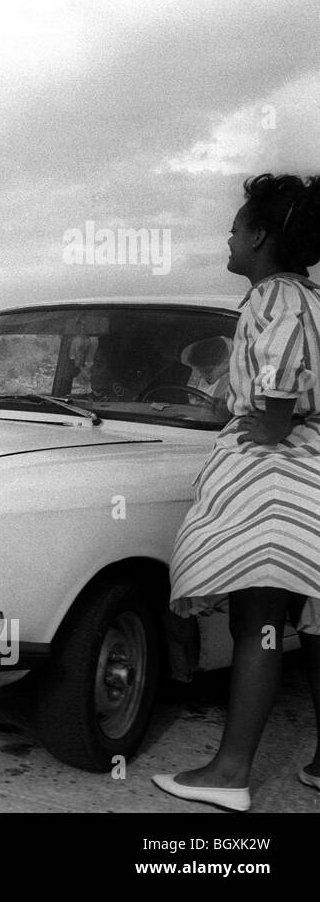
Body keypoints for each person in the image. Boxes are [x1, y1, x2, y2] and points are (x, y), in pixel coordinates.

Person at [154, 173, 320, 812]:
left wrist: (272, 414)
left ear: (258, 236)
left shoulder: (275, 297)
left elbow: (277, 379)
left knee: (259, 622)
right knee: (306, 621)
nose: (226, 236)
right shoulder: (308, 295)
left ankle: (229, 774)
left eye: (234, 227)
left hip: (276, 475)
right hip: (305, 466)